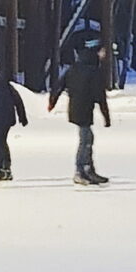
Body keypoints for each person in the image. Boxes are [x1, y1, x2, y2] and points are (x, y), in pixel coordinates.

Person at [47, 41, 111, 186]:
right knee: (86, 140)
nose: (104, 55)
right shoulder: (93, 71)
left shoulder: (74, 68)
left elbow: (59, 85)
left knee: (88, 137)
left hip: (75, 108)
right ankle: (80, 170)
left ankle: (89, 170)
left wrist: (52, 101)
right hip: (84, 109)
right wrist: (106, 117)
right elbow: (100, 96)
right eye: (102, 52)